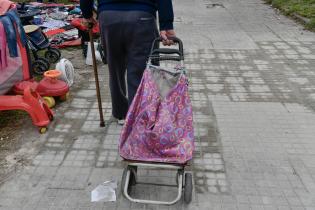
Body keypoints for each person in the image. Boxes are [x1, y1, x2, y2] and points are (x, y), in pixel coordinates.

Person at [80, 0, 175, 123]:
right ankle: (137, 117)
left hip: (109, 17)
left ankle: (121, 114)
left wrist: (87, 13)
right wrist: (166, 24)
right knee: (140, 71)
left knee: (115, 68)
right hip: (142, 16)